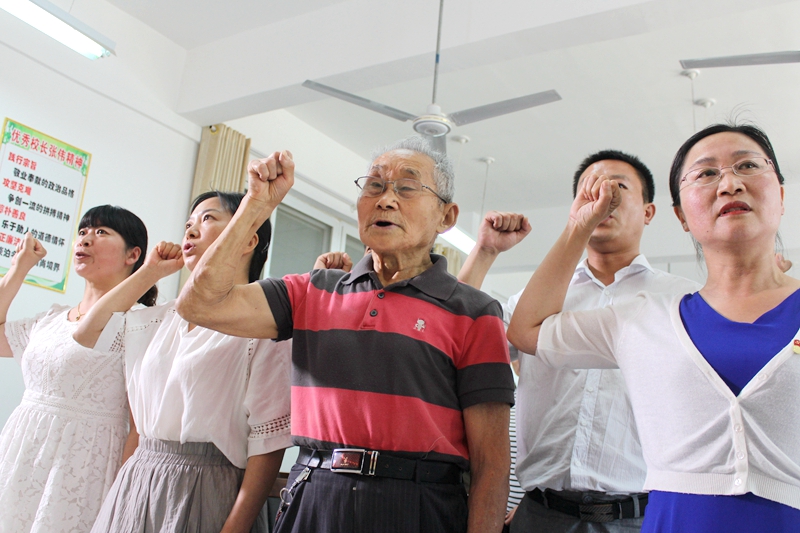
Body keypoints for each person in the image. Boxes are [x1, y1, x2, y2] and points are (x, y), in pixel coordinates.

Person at [175, 138, 515, 533]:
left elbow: (491, 463)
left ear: (446, 216)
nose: (385, 200)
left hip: (420, 506)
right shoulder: (311, 290)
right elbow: (199, 304)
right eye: (374, 186)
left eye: (406, 187)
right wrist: (256, 206)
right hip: (314, 495)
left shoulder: (474, 311)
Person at [507, 124, 800, 533]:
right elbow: (527, 330)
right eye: (706, 173)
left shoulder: (668, 295)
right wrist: (577, 224)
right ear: (682, 215)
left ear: (781, 195)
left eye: (747, 165)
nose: (729, 184)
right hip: (661, 518)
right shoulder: (647, 316)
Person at [460, 152, 701, 532]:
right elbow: (459, 341)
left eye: (618, 186)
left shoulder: (681, 301)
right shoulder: (534, 302)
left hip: (636, 517)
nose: (604, 196)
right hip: (540, 514)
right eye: (591, 187)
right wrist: (485, 251)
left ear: (649, 212)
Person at [72, 191, 291, 533]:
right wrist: (149, 272)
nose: (190, 230)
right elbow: (87, 334)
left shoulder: (264, 328)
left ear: (248, 240)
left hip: (208, 487)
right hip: (138, 480)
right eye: (189, 223)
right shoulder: (156, 320)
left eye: (207, 218)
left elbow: (268, 444)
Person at [0, 205, 153, 533]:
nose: (85, 239)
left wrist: (121, 496)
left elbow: (139, 427)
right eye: (83, 231)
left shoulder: (141, 323)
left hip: (81, 469)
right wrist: (19, 268)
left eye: (101, 232)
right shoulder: (52, 319)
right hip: (20, 455)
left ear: (133, 255)